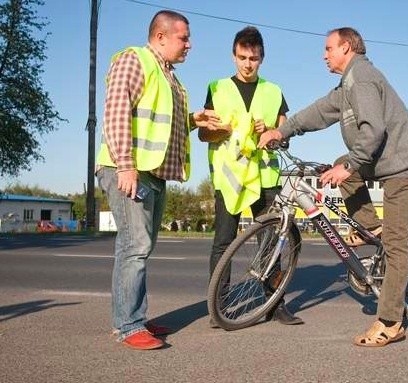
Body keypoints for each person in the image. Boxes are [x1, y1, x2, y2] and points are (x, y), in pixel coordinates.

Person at [258, 27, 408, 347]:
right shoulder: (349, 83)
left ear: (347, 48)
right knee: (339, 163)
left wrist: (350, 165)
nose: (324, 55)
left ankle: (391, 322)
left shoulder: (362, 78)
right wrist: (282, 132)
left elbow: (373, 130)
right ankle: (371, 229)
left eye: (328, 49)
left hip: (404, 166)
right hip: (390, 161)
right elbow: (320, 111)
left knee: (396, 243)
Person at [96, 10, 210, 350]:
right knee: (135, 247)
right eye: (184, 37)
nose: (189, 44)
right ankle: (128, 325)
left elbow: (160, 124)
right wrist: (126, 165)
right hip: (129, 169)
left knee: (140, 248)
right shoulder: (135, 60)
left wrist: (194, 119)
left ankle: (134, 317)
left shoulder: (169, 76)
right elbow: (116, 112)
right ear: (160, 36)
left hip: (153, 172)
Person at [198, 26, 303, 326]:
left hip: (264, 176)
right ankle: (219, 306)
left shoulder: (274, 92)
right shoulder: (217, 88)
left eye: (253, 58)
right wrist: (226, 129)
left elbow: (285, 138)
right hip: (229, 177)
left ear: (262, 58)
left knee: (271, 240)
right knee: (224, 241)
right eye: (242, 57)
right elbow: (204, 134)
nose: (247, 64)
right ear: (233, 56)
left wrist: (271, 135)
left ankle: (274, 303)